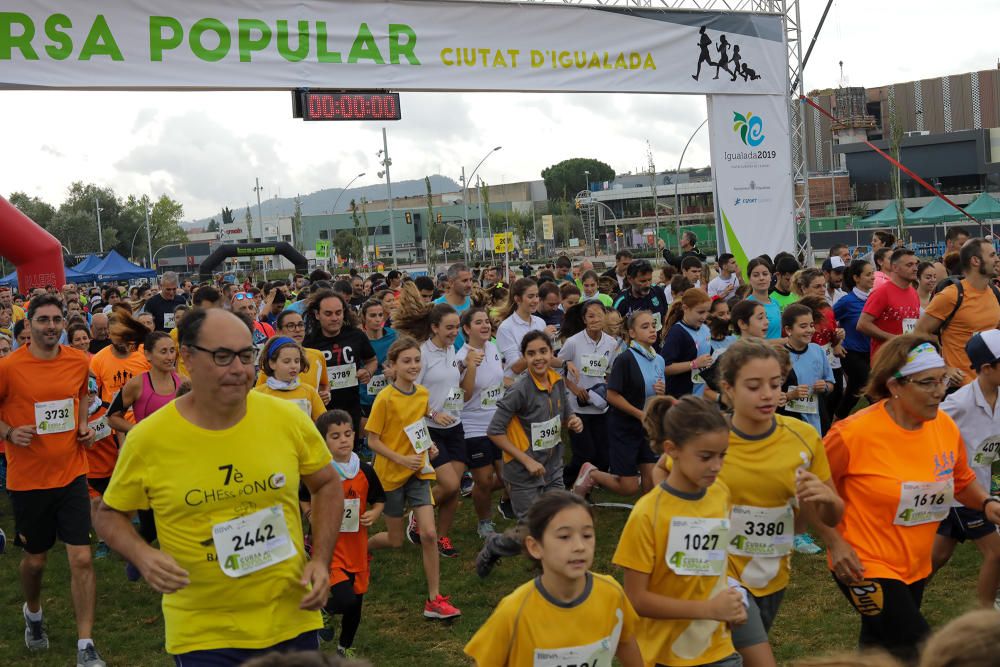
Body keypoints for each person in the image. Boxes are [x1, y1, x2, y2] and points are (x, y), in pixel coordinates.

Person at [94, 308, 343, 664]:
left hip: (290, 617)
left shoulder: (287, 419)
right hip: (203, 631)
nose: (239, 369)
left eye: (245, 355)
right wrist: (143, 555)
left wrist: (320, 560)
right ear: (188, 359)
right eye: (223, 356)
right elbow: (109, 515)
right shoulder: (149, 439)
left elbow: (327, 484)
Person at [658, 339, 843, 666]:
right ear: (727, 388)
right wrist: (676, 520)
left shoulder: (803, 437)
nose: (768, 394)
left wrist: (829, 511)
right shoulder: (711, 438)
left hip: (772, 572)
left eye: (775, 384)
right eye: (754, 386)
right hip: (718, 575)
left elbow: (830, 513)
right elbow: (662, 471)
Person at [816, 335, 1000, 660]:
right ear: (895, 385)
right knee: (921, 648)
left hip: (914, 564)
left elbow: (961, 481)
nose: (939, 391)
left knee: (880, 647)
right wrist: (835, 543)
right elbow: (813, 490)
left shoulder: (943, 425)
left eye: (942, 380)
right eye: (927, 383)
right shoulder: (852, 435)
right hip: (863, 564)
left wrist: (986, 503)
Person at [0, 294, 104, 666]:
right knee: (36, 561)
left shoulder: (78, 361)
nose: (51, 326)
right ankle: (33, 613)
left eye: (57, 319)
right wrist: (9, 432)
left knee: (81, 558)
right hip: (28, 479)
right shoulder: (10, 367)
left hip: (72, 473)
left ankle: (85, 644)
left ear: (65, 322)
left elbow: (79, 397)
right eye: (43, 320)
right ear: (28, 325)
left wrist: (82, 428)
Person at [615, 395, 746, 667]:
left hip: (718, 650)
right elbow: (636, 599)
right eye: (706, 456)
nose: (716, 466)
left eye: (722, 455)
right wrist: (708, 609)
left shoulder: (720, 494)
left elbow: (718, 561)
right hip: (666, 656)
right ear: (671, 450)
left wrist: (734, 596)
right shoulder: (647, 514)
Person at [466, 491, 642, 666]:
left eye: (587, 535)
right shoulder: (514, 611)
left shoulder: (611, 593)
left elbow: (625, 642)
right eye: (564, 537)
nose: (579, 546)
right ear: (535, 547)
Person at [365, 336, 462, 620]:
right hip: (390, 475)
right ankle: (364, 548)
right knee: (395, 540)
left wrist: (427, 446)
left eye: (417, 360)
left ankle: (434, 600)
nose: (413, 365)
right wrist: (400, 458)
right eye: (406, 361)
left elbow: (416, 427)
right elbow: (372, 441)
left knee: (429, 534)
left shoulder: (421, 394)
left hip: (418, 471)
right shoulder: (385, 398)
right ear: (392, 366)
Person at [475, 331, 583, 576]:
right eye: (531, 353)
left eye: (543, 352)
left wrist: (574, 421)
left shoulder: (557, 381)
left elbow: (566, 414)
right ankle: (495, 545)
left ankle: (547, 580)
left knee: (555, 523)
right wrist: (526, 459)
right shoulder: (519, 389)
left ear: (551, 353)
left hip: (553, 465)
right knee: (531, 530)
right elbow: (494, 431)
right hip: (523, 470)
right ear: (524, 357)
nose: (538, 358)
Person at [932, 331, 1000, 608]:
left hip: (982, 489)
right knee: (996, 555)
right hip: (962, 494)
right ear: (986, 369)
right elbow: (926, 427)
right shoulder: (957, 404)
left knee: (936, 558)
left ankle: (903, 600)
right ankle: (984, 620)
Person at [314, 410, 384, 659]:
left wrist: (375, 514)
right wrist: (311, 514)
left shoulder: (364, 470)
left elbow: (379, 499)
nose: (343, 440)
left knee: (356, 605)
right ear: (323, 441)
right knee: (346, 600)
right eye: (335, 436)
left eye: (347, 434)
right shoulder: (320, 471)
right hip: (330, 549)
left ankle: (345, 647)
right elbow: (303, 497)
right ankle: (322, 611)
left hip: (358, 548)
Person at [574, 311, 664, 499]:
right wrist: (639, 414)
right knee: (629, 487)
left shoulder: (659, 360)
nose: (652, 330)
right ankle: (591, 473)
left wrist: (661, 393)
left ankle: (648, 519)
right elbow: (612, 395)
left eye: (653, 325)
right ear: (632, 333)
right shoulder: (625, 359)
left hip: (647, 427)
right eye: (645, 327)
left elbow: (654, 394)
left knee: (652, 478)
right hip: (624, 427)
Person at [405, 304, 467, 558]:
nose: (454, 332)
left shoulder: (451, 349)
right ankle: (418, 516)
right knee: (449, 484)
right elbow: (411, 394)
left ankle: (441, 536)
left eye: (457, 327)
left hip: (455, 426)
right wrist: (432, 413)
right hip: (430, 429)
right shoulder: (421, 354)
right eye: (449, 327)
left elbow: (451, 384)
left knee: (455, 490)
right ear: (434, 327)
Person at [917, 238, 1000, 387]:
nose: (997, 259)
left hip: (990, 386)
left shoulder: (995, 292)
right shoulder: (950, 295)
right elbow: (918, 334)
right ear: (975, 261)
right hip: (960, 389)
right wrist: (943, 368)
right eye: (992, 255)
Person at [455, 307, 508, 539]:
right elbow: (461, 397)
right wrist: (470, 366)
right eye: (479, 322)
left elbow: (498, 381)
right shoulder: (460, 358)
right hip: (472, 426)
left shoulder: (493, 347)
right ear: (467, 329)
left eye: (487, 321)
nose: (485, 325)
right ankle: (484, 523)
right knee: (485, 480)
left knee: (508, 476)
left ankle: (485, 495)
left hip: (498, 423)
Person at [304, 290, 377, 450]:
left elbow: (371, 360)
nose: (335, 318)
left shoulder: (356, 335)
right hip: (321, 411)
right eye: (328, 314)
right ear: (317, 314)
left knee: (350, 452)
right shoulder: (308, 341)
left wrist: (368, 372)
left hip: (351, 408)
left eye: (338, 313)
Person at [558, 300, 618, 490]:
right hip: (577, 407)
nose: (595, 320)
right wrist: (575, 389)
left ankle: (587, 485)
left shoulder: (611, 343)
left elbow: (610, 371)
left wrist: (606, 389)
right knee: (584, 452)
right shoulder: (573, 342)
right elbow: (558, 369)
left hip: (600, 406)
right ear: (584, 320)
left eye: (599, 315)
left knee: (603, 455)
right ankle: (564, 482)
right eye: (590, 316)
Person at [90, 311, 152, 425]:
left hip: (145, 423)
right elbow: (92, 397)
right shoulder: (98, 360)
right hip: (114, 428)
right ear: (109, 334)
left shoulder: (145, 352)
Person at [857, 248, 920, 358]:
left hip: (908, 358)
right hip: (885, 361)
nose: (915, 269)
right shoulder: (882, 292)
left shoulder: (914, 293)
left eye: (916, 264)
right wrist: (893, 339)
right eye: (909, 265)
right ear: (895, 267)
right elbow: (862, 324)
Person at [781, 303, 834, 435]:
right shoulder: (779, 356)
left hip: (818, 416)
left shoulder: (817, 350)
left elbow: (831, 383)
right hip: (791, 421)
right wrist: (790, 396)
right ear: (788, 330)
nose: (810, 330)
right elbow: (772, 396)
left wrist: (825, 386)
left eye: (811, 325)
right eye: (803, 326)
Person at [833, 260, 874, 420]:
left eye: (873, 274)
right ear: (856, 278)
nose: (873, 277)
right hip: (851, 353)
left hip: (870, 353)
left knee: (852, 394)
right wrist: (836, 341)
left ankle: (834, 426)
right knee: (872, 390)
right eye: (868, 274)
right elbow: (828, 320)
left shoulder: (874, 298)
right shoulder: (846, 302)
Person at [253, 336, 327, 421]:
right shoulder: (258, 394)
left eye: (297, 361)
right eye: (286, 361)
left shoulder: (309, 392)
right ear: (272, 363)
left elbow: (324, 425)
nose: (293, 366)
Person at [662, 289, 714, 399]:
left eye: (707, 312)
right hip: (681, 398)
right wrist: (694, 364)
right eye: (700, 312)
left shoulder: (705, 329)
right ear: (685, 308)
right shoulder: (677, 333)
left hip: (702, 396)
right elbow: (665, 368)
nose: (704, 317)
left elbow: (708, 357)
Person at [495, 278, 549, 379]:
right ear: (517, 299)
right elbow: (516, 367)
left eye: (537, 296)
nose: (536, 300)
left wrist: (565, 363)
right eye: (530, 296)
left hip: (540, 384)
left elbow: (547, 358)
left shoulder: (540, 322)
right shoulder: (506, 328)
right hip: (518, 388)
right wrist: (542, 341)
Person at [614, 259, 670, 335]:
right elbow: (613, 329)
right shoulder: (622, 300)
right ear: (630, 279)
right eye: (642, 281)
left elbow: (665, 318)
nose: (647, 284)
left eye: (649, 280)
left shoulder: (658, 291)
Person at [746, 257, 782, 339]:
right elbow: (745, 341)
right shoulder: (746, 305)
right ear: (749, 279)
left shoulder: (775, 303)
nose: (761, 278)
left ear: (771, 277)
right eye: (756, 275)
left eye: (765, 274)